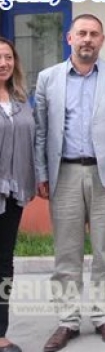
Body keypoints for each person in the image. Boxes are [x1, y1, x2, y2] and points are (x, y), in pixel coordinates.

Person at [35, 14, 105, 351]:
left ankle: (103, 315)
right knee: (66, 252)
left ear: (102, 40)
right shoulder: (48, 78)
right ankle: (67, 320)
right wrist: (41, 173)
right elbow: (41, 132)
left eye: (94, 34)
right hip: (64, 174)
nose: (87, 39)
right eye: (81, 33)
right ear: (70, 38)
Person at [0, 37, 35, 352]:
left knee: (4, 263)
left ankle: (1, 333)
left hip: (12, 194)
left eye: (8, 57)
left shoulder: (21, 100)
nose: (3, 63)